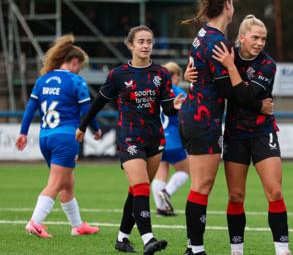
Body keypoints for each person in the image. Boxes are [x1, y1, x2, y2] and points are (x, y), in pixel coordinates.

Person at [76, 25, 185, 254]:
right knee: (142, 186)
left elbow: (167, 109)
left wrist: (174, 106)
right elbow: (98, 103)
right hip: (129, 137)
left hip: (155, 139)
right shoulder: (118, 75)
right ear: (131, 45)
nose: (146, 45)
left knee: (137, 191)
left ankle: (121, 239)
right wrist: (84, 125)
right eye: (141, 41)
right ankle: (148, 239)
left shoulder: (161, 75)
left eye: (149, 41)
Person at [179, 0, 271, 254]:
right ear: (228, 6)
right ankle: (195, 249)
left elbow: (199, 72)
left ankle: (192, 247)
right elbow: (228, 91)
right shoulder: (218, 42)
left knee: (200, 185)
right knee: (202, 186)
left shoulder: (203, 35)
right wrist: (259, 104)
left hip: (193, 115)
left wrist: (191, 76)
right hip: (203, 118)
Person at [210, 15, 291, 255]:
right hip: (235, 134)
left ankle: (282, 249)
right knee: (235, 197)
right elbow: (230, 93)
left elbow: (245, 96)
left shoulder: (267, 65)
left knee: (274, 191)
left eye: (263, 39)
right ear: (242, 37)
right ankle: (237, 250)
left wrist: (232, 68)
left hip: (262, 132)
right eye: (255, 37)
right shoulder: (227, 52)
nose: (259, 43)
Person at [16, 34, 101, 238]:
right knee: (55, 183)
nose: (80, 69)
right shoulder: (75, 81)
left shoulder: (42, 80)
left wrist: (23, 133)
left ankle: (78, 226)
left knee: (67, 183)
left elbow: (30, 108)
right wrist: (96, 129)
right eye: (80, 65)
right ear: (74, 62)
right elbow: (87, 111)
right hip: (65, 138)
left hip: (45, 138)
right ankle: (35, 223)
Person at [152, 61, 190, 216]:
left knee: (161, 173)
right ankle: (166, 192)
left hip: (157, 138)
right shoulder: (178, 92)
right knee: (185, 171)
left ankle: (161, 207)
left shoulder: (155, 92)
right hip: (173, 138)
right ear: (173, 76)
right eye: (178, 75)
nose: (179, 79)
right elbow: (187, 115)